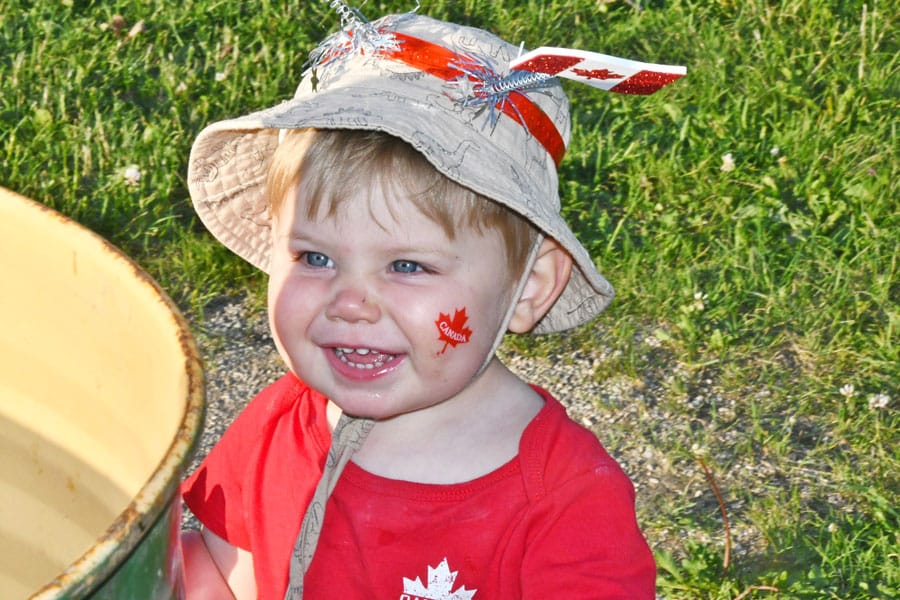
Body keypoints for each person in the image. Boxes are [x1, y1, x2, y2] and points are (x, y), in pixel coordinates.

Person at [180, 7, 676, 599]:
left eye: (408, 266)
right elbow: (225, 574)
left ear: (531, 287)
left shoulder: (563, 500)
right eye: (315, 258)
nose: (351, 304)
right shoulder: (280, 422)